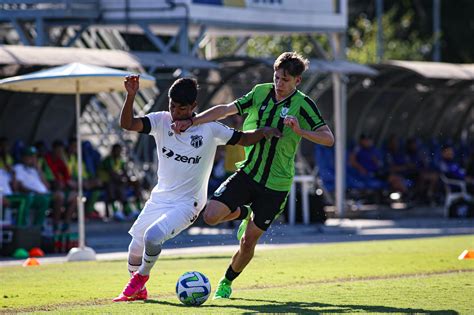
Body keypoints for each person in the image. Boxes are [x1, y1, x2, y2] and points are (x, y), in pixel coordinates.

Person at [171, 51, 334, 299]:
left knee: (248, 243)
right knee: (211, 216)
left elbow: (328, 139)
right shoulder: (261, 92)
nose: (279, 84)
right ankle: (246, 212)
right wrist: (192, 121)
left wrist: (300, 130)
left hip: (277, 186)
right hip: (248, 172)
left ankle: (226, 282)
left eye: (286, 80)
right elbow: (226, 109)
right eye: (277, 77)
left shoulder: (304, 105)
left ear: (297, 81)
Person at [113, 75, 281, 302]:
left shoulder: (210, 129)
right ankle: (140, 290)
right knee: (135, 247)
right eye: (172, 106)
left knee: (153, 237)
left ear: (194, 107)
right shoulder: (161, 121)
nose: (175, 112)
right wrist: (130, 95)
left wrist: (264, 131)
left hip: (188, 203)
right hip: (160, 198)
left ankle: (140, 279)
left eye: (182, 109)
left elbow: (244, 139)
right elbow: (128, 124)